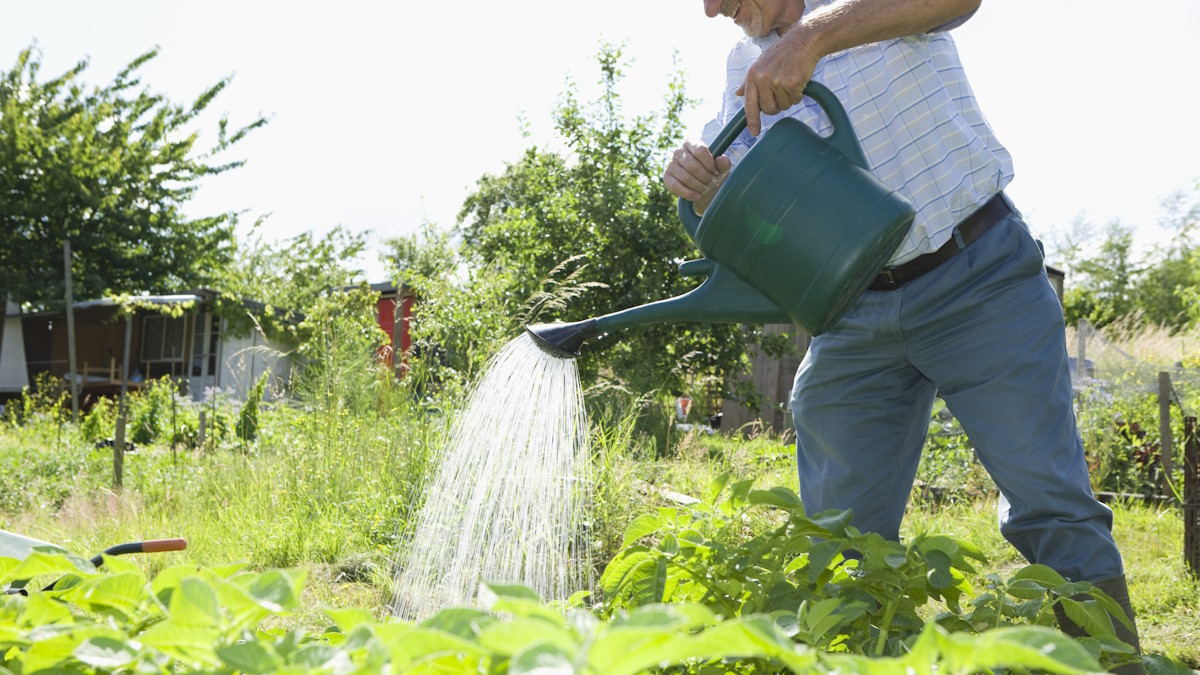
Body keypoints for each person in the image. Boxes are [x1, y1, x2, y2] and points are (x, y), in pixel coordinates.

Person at [663, 1, 1143, 671]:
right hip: (856, 314)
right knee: (838, 541)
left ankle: (1117, 664)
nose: (711, 8)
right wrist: (699, 175)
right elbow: (734, 186)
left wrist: (815, 37)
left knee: (1051, 505)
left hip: (978, 279)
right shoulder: (743, 65)